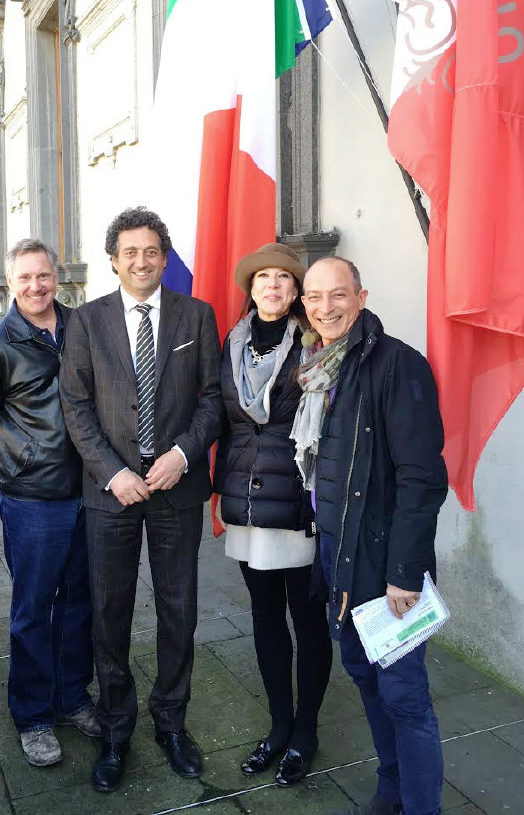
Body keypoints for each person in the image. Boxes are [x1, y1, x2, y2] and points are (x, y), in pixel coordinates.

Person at [59, 206, 222, 793]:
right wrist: (110, 473)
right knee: (111, 613)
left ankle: (171, 723)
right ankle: (115, 727)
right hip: (113, 496)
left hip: (176, 489)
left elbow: (211, 398)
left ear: (164, 256)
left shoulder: (196, 317)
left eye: (151, 251)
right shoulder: (85, 322)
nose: (141, 261)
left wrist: (182, 455)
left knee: (180, 610)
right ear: (113, 260)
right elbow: (76, 407)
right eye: (130, 252)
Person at [294, 256, 448, 815]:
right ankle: (392, 790)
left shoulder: (396, 364)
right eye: (313, 297)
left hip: (387, 568)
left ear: (361, 297)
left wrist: (405, 572)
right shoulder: (321, 364)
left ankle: (421, 806)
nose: (325, 308)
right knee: (363, 674)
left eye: (337, 295)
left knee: (404, 696)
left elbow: (423, 478)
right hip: (340, 558)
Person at [0, 239, 99, 768]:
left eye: (44, 276)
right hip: (34, 499)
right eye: (25, 279)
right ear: (10, 283)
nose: (36, 287)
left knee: (79, 601)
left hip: (89, 489)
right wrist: (20, 459)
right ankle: (33, 714)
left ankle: (72, 696)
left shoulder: (82, 327)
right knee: (33, 608)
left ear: (56, 277)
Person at [212, 243, 333, 786]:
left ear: (294, 291)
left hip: (298, 503)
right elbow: (220, 419)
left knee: (307, 620)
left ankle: (306, 730)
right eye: (263, 277)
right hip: (247, 502)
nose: (272, 286)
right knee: (264, 616)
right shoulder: (231, 344)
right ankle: (278, 724)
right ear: (251, 288)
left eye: (284, 278)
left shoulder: (313, 345)